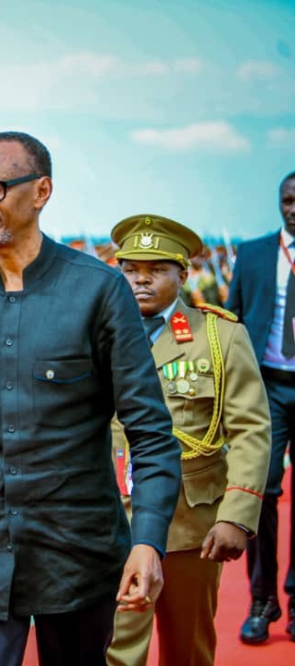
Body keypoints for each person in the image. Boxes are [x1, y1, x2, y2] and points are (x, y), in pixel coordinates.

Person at [0, 131, 181, 666]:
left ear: (41, 191)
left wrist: (148, 541)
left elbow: (151, 434)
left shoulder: (99, 290)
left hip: (77, 552)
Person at [106, 214, 271, 666]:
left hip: (189, 524)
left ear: (183, 273)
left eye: (156, 269)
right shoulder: (96, 333)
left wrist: (237, 515)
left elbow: (252, 429)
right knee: (115, 648)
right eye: (130, 269)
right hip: (112, 516)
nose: (141, 280)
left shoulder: (219, 336)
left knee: (188, 650)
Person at [227, 169, 295, 644]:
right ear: (279, 203)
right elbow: (230, 321)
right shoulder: (252, 254)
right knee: (260, 494)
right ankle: (261, 599)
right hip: (266, 388)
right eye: (289, 200)